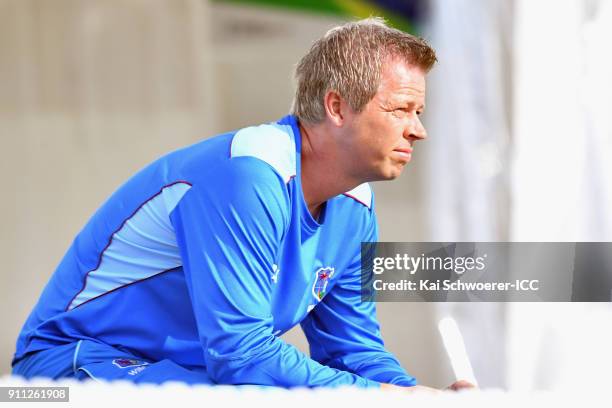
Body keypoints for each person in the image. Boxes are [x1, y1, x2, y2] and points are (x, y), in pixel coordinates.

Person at [12, 17, 471, 392]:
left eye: (419, 113)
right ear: (337, 107)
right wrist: (385, 397)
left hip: (195, 376)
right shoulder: (249, 173)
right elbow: (242, 356)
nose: (417, 130)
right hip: (71, 360)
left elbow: (353, 354)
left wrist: (418, 396)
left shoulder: (355, 203)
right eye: (401, 109)